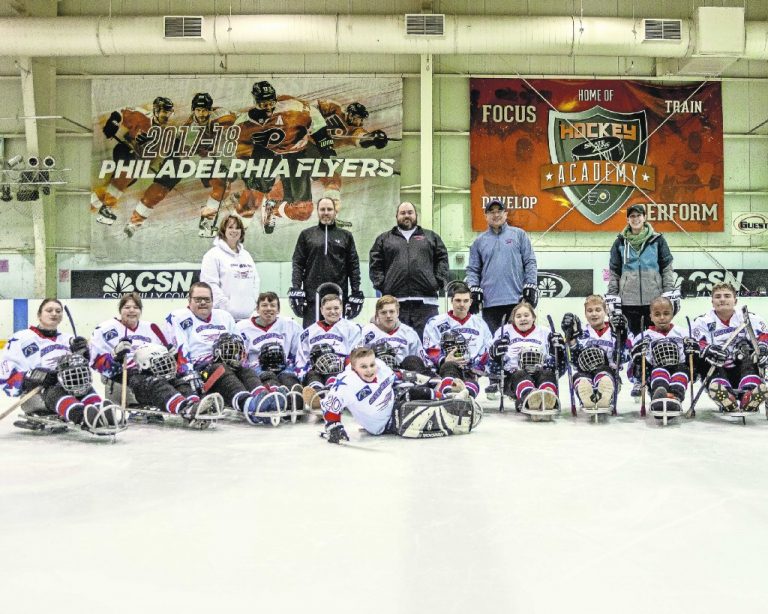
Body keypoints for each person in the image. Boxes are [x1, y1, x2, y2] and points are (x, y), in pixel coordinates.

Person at [90, 292, 221, 426]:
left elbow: (167, 349)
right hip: (126, 373)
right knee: (155, 383)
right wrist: (114, 355)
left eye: (135, 307)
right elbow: (96, 362)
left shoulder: (151, 328)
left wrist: (172, 353)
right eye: (127, 307)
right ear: (120, 310)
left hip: (154, 368)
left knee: (176, 380)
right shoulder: (105, 329)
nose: (131, 310)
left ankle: (195, 403)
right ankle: (185, 408)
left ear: (140, 310)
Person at [165, 282, 285, 425]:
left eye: (207, 299)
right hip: (202, 369)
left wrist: (239, 360)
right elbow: (181, 349)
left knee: (245, 369)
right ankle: (248, 404)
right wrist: (188, 373)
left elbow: (239, 343)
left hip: (227, 361)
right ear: (189, 300)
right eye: (198, 299)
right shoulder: (179, 317)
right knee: (221, 369)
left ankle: (262, 397)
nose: (203, 302)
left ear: (212, 300)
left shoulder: (224, 316)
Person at [0, 298, 125, 435]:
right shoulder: (21, 338)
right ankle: (83, 417)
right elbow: (6, 372)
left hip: (70, 387)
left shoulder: (68, 339)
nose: (54, 313)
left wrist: (83, 354)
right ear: (39, 315)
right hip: (39, 392)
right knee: (56, 390)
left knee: (82, 384)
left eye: (58, 311)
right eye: (49, 310)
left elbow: (88, 363)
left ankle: (101, 411)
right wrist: (33, 376)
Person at [231, 80, 337, 233]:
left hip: (296, 153)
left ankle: (272, 208)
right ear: (255, 102)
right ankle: (247, 210)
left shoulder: (294, 107)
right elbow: (241, 150)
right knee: (256, 189)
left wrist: (326, 145)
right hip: (267, 153)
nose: (268, 107)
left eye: (271, 102)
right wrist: (246, 171)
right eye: (263, 104)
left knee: (303, 211)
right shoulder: (244, 122)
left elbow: (317, 122)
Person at [320, 347, 480, 443]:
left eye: (371, 365)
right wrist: (334, 427)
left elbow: (398, 376)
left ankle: (447, 399)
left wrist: (430, 381)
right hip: (385, 424)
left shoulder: (380, 366)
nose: (369, 370)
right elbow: (330, 407)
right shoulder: (346, 383)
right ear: (354, 368)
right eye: (363, 367)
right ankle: (451, 417)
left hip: (394, 399)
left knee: (418, 391)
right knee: (415, 412)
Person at [369, 201, 449, 338]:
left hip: (426, 304)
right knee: (397, 345)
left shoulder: (431, 237)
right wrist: (383, 285)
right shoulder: (384, 239)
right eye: (403, 213)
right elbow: (375, 264)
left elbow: (442, 260)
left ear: (416, 215)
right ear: (396, 216)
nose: (407, 216)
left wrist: (436, 282)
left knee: (426, 345)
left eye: (410, 212)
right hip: (395, 304)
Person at [92, 96, 175, 226]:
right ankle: (106, 209)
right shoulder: (142, 116)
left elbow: (157, 154)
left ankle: (91, 203)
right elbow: (121, 112)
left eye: (169, 112)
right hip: (126, 150)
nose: (166, 115)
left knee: (116, 186)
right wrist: (114, 122)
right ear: (156, 110)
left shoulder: (164, 132)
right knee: (125, 176)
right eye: (164, 111)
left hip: (138, 164)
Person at [691, 282, 768, 412]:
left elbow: (763, 336)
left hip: (742, 366)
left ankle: (749, 394)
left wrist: (762, 348)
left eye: (727, 296)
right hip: (717, 367)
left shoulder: (749, 318)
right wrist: (708, 350)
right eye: (718, 296)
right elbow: (698, 343)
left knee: (748, 354)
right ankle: (726, 396)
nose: (722, 299)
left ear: (735, 300)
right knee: (708, 359)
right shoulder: (702, 321)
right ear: (712, 301)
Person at [466, 199, 538, 335]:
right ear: (485, 216)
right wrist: (473, 288)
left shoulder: (519, 235)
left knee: (519, 342)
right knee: (494, 343)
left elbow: (530, 262)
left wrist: (531, 284)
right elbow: (473, 270)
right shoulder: (478, 242)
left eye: (499, 211)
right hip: (490, 303)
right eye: (491, 212)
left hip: (517, 302)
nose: (496, 215)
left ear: (506, 214)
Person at [289, 197, 363, 328]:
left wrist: (356, 291)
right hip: (312, 297)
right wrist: (296, 287)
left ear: (335, 212)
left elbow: (353, 266)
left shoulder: (346, 236)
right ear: (317, 212)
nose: (326, 212)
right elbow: (298, 263)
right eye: (322, 209)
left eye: (329, 209)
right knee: (312, 337)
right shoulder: (306, 235)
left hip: (338, 297)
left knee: (338, 338)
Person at [607, 204, 679, 336]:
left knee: (655, 338)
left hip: (654, 301)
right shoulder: (620, 243)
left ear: (644, 217)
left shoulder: (658, 240)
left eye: (638, 215)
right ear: (627, 220)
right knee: (632, 339)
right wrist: (612, 295)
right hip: (628, 302)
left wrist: (668, 291)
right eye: (632, 216)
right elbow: (614, 272)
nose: (635, 219)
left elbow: (667, 269)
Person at [489, 301, 564, 413]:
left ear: (533, 317)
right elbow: (491, 358)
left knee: (548, 374)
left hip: (539, 372)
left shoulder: (544, 332)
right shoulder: (505, 331)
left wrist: (559, 351)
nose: (523, 319)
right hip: (513, 376)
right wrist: (495, 353)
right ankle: (529, 398)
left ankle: (549, 398)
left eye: (526, 315)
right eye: (518, 316)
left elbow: (556, 360)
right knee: (520, 374)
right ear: (513, 319)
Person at [628, 295, 697, 416]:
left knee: (682, 371)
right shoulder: (644, 336)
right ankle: (659, 395)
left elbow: (693, 355)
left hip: (679, 366)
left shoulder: (683, 333)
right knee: (658, 371)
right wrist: (638, 356)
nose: (662, 318)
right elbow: (635, 364)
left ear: (672, 314)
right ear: (651, 316)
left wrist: (693, 350)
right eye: (657, 314)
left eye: (666, 313)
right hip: (656, 368)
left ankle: (675, 397)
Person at [422, 282, 492, 398]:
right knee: (450, 369)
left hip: (470, 370)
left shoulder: (480, 324)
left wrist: (477, 367)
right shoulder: (435, 322)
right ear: (451, 301)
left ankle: (466, 398)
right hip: (446, 368)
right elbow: (429, 348)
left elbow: (487, 349)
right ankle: (449, 396)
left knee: (472, 384)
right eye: (458, 300)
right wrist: (443, 360)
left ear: (471, 302)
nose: (462, 304)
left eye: (465, 301)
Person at [561, 295, 628, 411]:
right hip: (586, 372)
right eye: (590, 311)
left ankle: (605, 394)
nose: (594, 314)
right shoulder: (582, 333)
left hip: (609, 372)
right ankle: (587, 397)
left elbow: (623, 358)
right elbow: (575, 362)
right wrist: (571, 338)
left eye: (598, 310)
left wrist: (622, 337)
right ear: (585, 313)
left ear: (606, 311)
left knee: (605, 373)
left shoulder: (614, 330)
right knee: (579, 377)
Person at [296, 294, 362, 406]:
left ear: (342, 309)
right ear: (321, 310)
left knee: (334, 377)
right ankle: (316, 396)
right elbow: (302, 356)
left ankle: (332, 394)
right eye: (328, 308)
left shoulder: (352, 328)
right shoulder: (308, 332)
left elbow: (355, 353)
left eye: (336, 308)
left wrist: (347, 367)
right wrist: (303, 372)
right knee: (313, 376)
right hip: (316, 368)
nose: (333, 312)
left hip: (339, 368)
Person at [236, 291, 303, 395]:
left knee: (290, 381)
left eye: (272, 305)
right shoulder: (242, 327)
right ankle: (274, 395)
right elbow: (241, 358)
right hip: (259, 368)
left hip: (283, 367)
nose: (268, 308)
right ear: (257, 309)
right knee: (269, 381)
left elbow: (298, 352)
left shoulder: (290, 325)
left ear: (278, 310)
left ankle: (295, 396)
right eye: (264, 305)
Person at [200, 214, 260, 321]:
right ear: (223, 230)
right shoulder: (212, 255)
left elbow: (255, 281)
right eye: (230, 227)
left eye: (238, 228)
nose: (234, 231)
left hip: (247, 317)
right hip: (223, 317)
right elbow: (210, 284)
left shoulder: (246, 255)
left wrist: (253, 303)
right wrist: (226, 306)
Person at [360, 295, 429, 373]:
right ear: (377, 314)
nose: (388, 316)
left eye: (392, 311)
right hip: (375, 375)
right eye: (383, 312)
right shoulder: (365, 332)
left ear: (398, 313)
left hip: (404, 378)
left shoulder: (409, 333)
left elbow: (422, 362)